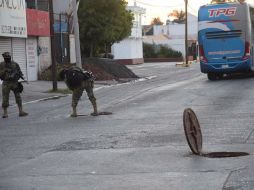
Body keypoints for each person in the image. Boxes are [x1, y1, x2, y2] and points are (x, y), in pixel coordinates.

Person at [0, 52, 28, 118]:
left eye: (9, 58)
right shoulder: (1, 64)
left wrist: (18, 76)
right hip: (6, 82)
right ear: (4, 58)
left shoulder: (15, 64)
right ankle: (5, 113)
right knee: (5, 98)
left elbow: (19, 72)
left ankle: (21, 111)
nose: (8, 59)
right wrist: (5, 70)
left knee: (18, 96)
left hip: (14, 82)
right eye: (6, 58)